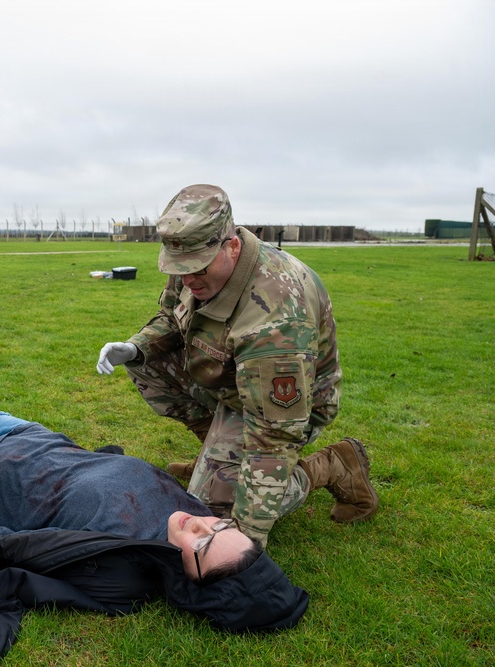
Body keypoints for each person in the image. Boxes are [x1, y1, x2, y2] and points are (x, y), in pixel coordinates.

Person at [0, 396, 309, 666]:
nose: (200, 521)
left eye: (203, 543)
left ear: (191, 580)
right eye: (221, 524)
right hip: (24, 435)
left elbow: (26, 552)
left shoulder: (124, 570)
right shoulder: (194, 512)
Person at [96, 184, 378, 547]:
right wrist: (136, 347)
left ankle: (334, 464)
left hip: (288, 409)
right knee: (149, 361)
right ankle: (216, 460)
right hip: (230, 381)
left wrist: (245, 542)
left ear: (232, 247)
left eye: (196, 268)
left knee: (215, 513)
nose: (186, 279)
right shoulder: (194, 262)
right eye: (178, 268)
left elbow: (274, 437)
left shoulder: (275, 316)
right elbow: (171, 318)